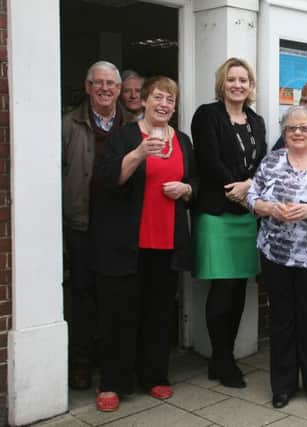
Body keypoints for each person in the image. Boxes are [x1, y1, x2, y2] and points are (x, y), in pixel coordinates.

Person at [90, 76, 197, 412]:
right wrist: (138, 153)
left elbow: (195, 180)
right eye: (158, 98)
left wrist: (187, 190)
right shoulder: (124, 135)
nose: (164, 105)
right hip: (128, 241)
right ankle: (113, 382)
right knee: (120, 313)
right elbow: (109, 181)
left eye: (170, 100)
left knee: (159, 312)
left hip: (167, 242)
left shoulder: (182, 140)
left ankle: (154, 376)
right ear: (145, 100)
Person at [247, 106, 307, 409]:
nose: (298, 133)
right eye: (292, 128)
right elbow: (252, 196)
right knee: (282, 321)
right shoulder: (272, 160)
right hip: (276, 256)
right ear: (285, 133)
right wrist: (269, 208)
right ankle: (283, 385)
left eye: (304, 128)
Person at [190, 57, 267, 388]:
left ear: (251, 86)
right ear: (222, 83)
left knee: (239, 288)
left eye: (244, 79)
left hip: (247, 213)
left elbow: (262, 162)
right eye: (232, 79)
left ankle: (225, 356)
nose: (238, 84)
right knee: (222, 286)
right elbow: (207, 159)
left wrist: (248, 187)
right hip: (216, 213)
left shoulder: (256, 120)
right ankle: (222, 359)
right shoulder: (207, 115)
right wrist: (233, 188)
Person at [62, 60, 133, 391]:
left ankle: (110, 361)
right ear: (88, 87)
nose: (106, 89)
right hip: (82, 223)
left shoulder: (132, 126)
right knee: (82, 294)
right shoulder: (68, 124)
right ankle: (80, 362)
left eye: (112, 84)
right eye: (99, 83)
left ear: (119, 90)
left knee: (115, 298)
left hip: (119, 228)